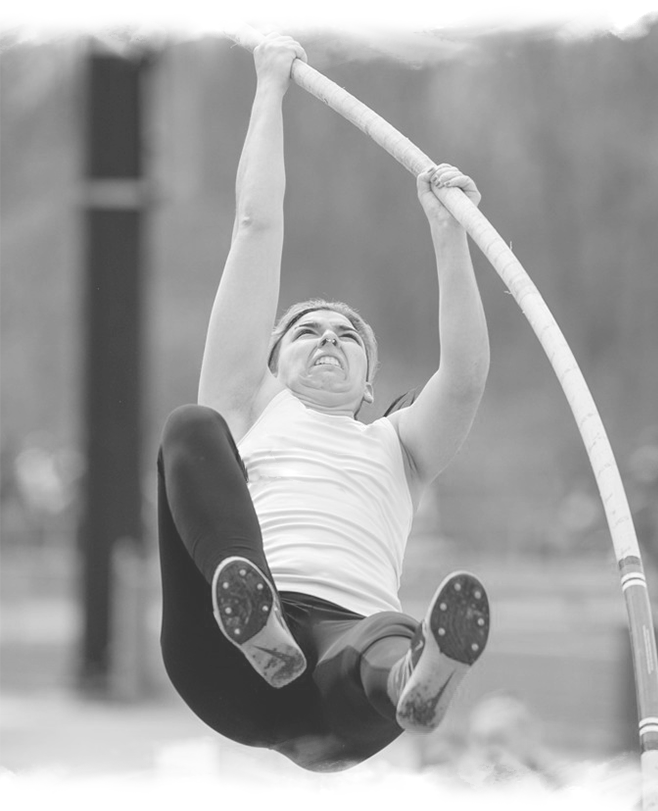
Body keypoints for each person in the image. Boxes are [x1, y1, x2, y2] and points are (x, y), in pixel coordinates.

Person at [157, 33, 491, 773]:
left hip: (345, 679)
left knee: (386, 640)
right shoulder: (248, 404)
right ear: (271, 362)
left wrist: (449, 234)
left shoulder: (401, 448)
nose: (329, 338)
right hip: (226, 655)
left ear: (372, 382)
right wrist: (269, 87)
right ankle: (258, 618)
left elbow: (464, 376)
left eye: (348, 335)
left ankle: (417, 680)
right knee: (190, 427)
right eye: (307, 330)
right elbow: (256, 226)